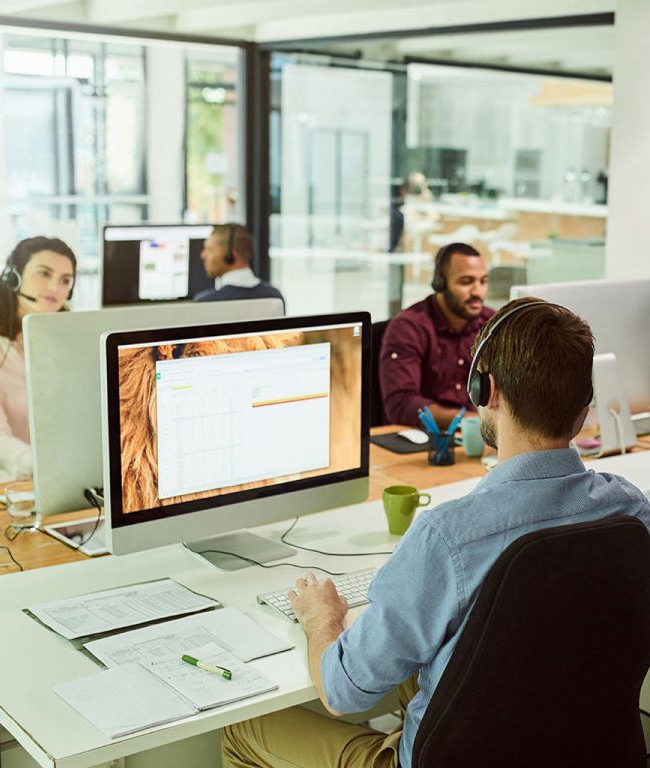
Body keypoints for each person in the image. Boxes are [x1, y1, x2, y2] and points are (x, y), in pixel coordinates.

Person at [222, 297, 650, 768]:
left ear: (487, 391)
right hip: (590, 754)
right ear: (584, 404)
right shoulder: (630, 511)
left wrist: (320, 619)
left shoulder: (450, 538)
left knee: (244, 729)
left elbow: (343, 691)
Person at [0, 236, 76, 486]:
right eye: (44, 273)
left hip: (77, 485)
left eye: (65, 280)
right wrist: (47, 468)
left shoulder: (75, 343)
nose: (55, 287)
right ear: (13, 277)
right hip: (9, 486)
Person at [379, 242, 493, 428]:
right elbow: (401, 405)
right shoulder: (408, 327)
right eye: (466, 282)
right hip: (427, 441)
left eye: (483, 281)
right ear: (439, 283)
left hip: (481, 438)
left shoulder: (492, 325)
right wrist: (469, 420)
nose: (477, 291)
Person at [193, 224, 284, 305]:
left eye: (210, 250)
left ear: (230, 256)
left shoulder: (205, 304)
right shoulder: (274, 297)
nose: (203, 255)